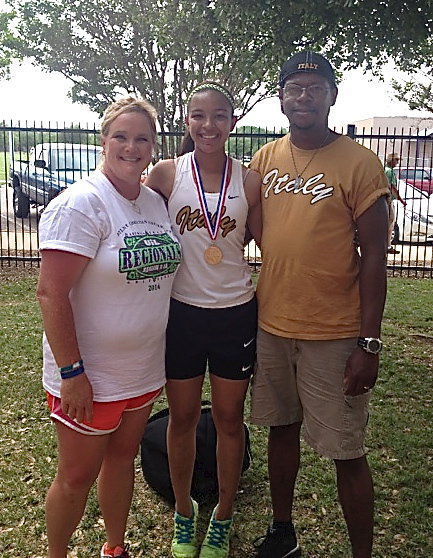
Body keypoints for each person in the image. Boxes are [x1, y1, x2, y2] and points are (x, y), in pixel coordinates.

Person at [249, 51, 389, 558]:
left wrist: (368, 343)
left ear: (332, 95)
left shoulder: (360, 163)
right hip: (271, 325)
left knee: (345, 451)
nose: (303, 96)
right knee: (280, 430)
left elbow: (375, 257)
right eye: (294, 88)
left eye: (314, 87)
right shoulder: (266, 158)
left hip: (334, 333)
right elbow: (244, 220)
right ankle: (283, 532)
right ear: (281, 97)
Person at [36, 97, 181, 558]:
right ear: (104, 140)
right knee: (75, 477)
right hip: (90, 377)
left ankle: (114, 548)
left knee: (122, 462)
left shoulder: (155, 203)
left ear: (153, 147)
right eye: (121, 136)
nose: (131, 147)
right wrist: (72, 372)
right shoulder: (82, 204)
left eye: (142, 139)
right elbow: (50, 293)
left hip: (141, 371)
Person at [145, 80, 262, 558]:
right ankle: (184, 513)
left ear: (232, 122)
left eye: (218, 116)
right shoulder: (167, 174)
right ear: (187, 121)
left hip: (235, 313)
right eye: (198, 115)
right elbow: (130, 216)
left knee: (230, 419)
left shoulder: (249, 179)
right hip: (182, 314)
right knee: (184, 419)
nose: (208, 125)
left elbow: (273, 244)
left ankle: (224, 514)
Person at [384, 152, 407, 254]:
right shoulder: (390, 172)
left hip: (383, 199)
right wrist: (401, 200)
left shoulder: (384, 169)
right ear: (391, 160)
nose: (397, 163)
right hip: (389, 199)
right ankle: (388, 245)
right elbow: (392, 187)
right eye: (396, 160)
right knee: (390, 222)